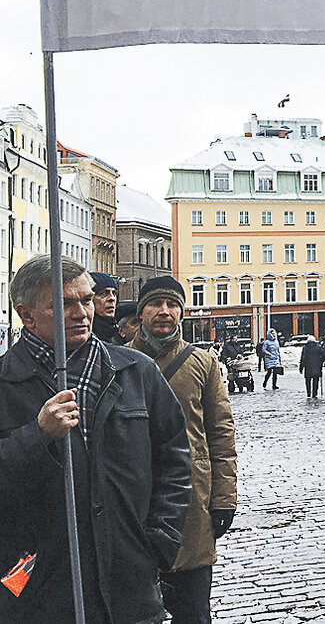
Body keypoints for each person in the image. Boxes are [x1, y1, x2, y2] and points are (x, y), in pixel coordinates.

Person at [0, 255, 192, 624]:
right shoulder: (6, 383)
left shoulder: (135, 371)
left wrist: (157, 544)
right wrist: (37, 436)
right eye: (64, 304)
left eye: (86, 300)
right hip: (39, 591)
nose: (81, 312)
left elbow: (175, 461)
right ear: (27, 315)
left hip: (128, 584)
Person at [126, 276, 238, 624]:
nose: (164, 312)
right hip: (132, 502)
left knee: (192, 612)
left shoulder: (202, 363)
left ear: (182, 313)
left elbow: (220, 434)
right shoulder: (118, 362)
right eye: (155, 304)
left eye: (172, 305)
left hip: (191, 503)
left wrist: (224, 498)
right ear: (141, 312)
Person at [88, 272, 121, 342]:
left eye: (114, 293)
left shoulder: (118, 335)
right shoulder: (84, 335)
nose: (112, 298)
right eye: (104, 293)